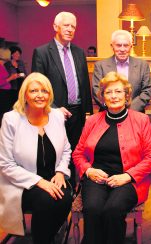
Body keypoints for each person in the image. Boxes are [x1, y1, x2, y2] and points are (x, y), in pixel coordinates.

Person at [72, 71, 151, 244]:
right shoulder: (92, 121)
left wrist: (127, 176)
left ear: (127, 96)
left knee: (113, 210)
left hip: (130, 180)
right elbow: (78, 154)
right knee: (93, 209)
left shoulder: (141, 120)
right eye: (108, 92)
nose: (113, 96)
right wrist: (88, 170)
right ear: (102, 97)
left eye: (118, 91)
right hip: (96, 178)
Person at [0, 72, 73, 244]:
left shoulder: (56, 115)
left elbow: (66, 150)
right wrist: (39, 181)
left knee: (65, 198)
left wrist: (61, 172)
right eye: (33, 91)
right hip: (22, 183)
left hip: (54, 177)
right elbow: (6, 164)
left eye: (44, 91)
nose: (40, 95)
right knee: (46, 200)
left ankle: (46, 237)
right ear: (25, 94)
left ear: (50, 94)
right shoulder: (11, 119)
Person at [31, 11, 93, 187]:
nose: (70, 29)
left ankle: (75, 190)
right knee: (55, 153)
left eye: (73, 26)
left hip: (77, 114)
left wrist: (88, 112)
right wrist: (54, 108)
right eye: (66, 25)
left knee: (76, 153)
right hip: (53, 113)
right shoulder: (42, 52)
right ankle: (57, 189)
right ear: (55, 26)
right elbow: (37, 86)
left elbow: (84, 85)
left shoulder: (79, 52)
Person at [92, 30, 151, 112]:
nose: (122, 49)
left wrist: (128, 110)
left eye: (126, 45)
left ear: (131, 46)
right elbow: (97, 91)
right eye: (118, 45)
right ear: (112, 46)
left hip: (135, 113)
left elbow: (147, 91)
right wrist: (112, 107)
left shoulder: (142, 65)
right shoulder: (100, 66)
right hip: (108, 113)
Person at [0, 48, 19, 124]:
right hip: (2, 93)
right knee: (3, 113)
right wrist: (11, 78)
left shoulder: (3, 65)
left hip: (6, 92)